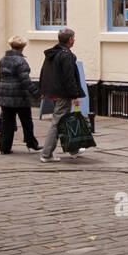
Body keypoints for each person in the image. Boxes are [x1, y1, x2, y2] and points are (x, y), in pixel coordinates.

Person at [37, 27, 85, 162]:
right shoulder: (66, 55)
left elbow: (43, 72)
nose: (74, 40)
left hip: (52, 92)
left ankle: (73, 148)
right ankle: (46, 154)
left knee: (64, 120)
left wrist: (42, 90)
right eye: (73, 38)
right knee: (57, 123)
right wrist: (75, 95)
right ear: (70, 39)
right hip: (62, 93)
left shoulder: (52, 53)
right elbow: (69, 77)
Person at [0, 36, 41, 154]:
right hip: (20, 97)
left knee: (7, 123)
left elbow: (0, 78)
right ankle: (31, 143)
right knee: (27, 122)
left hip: (5, 95)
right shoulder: (21, 61)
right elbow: (26, 80)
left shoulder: (2, 60)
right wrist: (37, 94)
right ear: (23, 47)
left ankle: (4, 147)